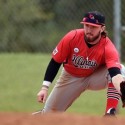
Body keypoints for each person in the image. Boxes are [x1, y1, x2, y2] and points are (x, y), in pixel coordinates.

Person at [37, 11, 125, 116]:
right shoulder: (72, 37)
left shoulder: (107, 46)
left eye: (93, 27)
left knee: (121, 69)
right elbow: (55, 62)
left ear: (102, 29)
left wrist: (122, 89)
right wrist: (44, 88)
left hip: (94, 77)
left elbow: (115, 74)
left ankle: (110, 113)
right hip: (70, 77)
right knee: (48, 115)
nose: (89, 29)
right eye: (86, 25)